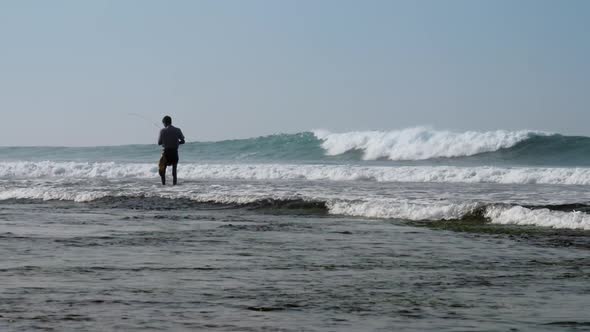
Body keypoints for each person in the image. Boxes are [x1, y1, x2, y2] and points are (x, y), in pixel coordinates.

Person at [158, 115, 185, 185]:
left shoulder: (162, 131)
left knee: (162, 170)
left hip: (166, 153)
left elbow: (159, 142)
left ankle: (163, 185)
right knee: (174, 171)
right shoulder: (177, 130)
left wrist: (165, 141)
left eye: (163, 123)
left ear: (164, 122)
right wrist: (176, 143)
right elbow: (183, 141)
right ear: (170, 122)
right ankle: (174, 185)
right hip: (174, 153)